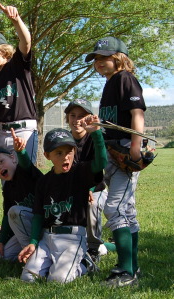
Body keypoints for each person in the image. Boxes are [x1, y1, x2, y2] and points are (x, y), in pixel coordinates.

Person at [85, 36, 146, 287]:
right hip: (112, 151)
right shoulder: (110, 83)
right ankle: (132, 267)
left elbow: (137, 113)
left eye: (104, 57)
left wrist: (135, 146)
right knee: (127, 211)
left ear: (119, 58)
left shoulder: (125, 79)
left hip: (124, 151)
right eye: (96, 59)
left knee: (115, 209)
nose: (99, 62)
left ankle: (125, 270)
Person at [18, 122, 107, 283]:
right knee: (28, 278)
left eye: (69, 151)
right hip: (47, 237)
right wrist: (33, 243)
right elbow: (38, 215)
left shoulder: (80, 172)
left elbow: (101, 163)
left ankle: (85, 263)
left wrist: (96, 135)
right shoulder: (43, 182)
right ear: (47, 155)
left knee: (58, 280)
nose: (66, 156)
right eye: (59, 152)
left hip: (72, 237)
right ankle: (57, 263)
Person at [0, 2, 38, 163]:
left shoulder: (18, 66)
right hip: (3, 133)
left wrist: (16, 20)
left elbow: (26, 42)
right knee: (7, 180)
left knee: (25, 177)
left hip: (24, 129)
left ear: (3, 50)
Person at [0, 128, 43, 260]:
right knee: (5, 256)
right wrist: (1, 242)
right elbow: (6, 216)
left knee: (15, 211)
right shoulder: (7, 188)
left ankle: (34, 258)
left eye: (1, 161)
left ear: (13, 158)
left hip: (45, 224)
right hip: (29, 228)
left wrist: (21, 151)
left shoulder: (25, 172)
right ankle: (33, 250)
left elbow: (25, 163)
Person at [64, 99, 108, 261]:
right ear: (67, 118)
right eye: (72, 115)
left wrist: (87, 190)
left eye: (82, 116)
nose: (77, 120)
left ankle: (94, 248)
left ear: (89, 118)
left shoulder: (95, 138)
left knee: (92, 203)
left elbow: (100, 166)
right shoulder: (64, 139)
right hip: (71, 187)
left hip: (95, 189)